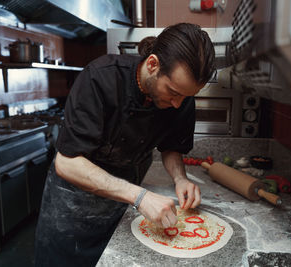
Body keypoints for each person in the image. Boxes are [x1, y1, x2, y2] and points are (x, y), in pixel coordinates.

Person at [34, 23, 215, 266]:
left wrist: (180, 178)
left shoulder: (180, 99)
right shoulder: (100, 77)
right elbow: (67, 163)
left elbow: (171, 146)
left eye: (185, 97)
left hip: (123, 202)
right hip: (72, 208)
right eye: (172, 92)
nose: (177, 104)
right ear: (153, 64)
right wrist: (140, 197)